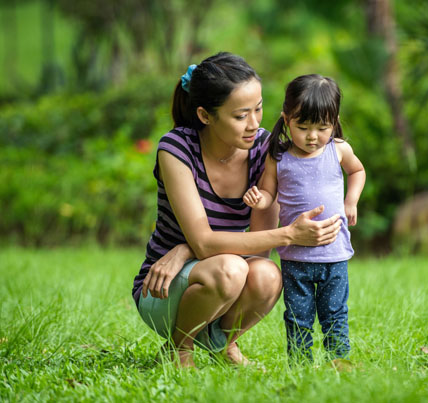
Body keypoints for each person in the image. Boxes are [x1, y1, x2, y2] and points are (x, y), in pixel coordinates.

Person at [131, 53, 344, 369]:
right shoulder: (176, 150)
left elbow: (259, 247)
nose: (255, 123)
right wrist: (289, 233)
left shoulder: (264, 149)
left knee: (267, 276)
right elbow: (205, 243)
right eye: (241, 115)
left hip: (217, 278)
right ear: (205, 115)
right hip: (164, 288)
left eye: (258, 109)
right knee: (230, 269)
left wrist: (186, 247)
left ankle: (222, 344)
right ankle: (178, 349)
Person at [243, 74, 366, 361]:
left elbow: (357, 172)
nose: (313, 136)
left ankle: (340, 360)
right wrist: (258, 199)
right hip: (295, 258)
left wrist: (352, 200)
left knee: (335, 313)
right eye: (303, 127)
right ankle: (299, 363)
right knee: (298, 316)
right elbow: (268, 193)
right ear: (286, 120)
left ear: (334, 121)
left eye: (322, 127)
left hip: (333, 255)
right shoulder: (279, 157)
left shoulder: (338, 150)